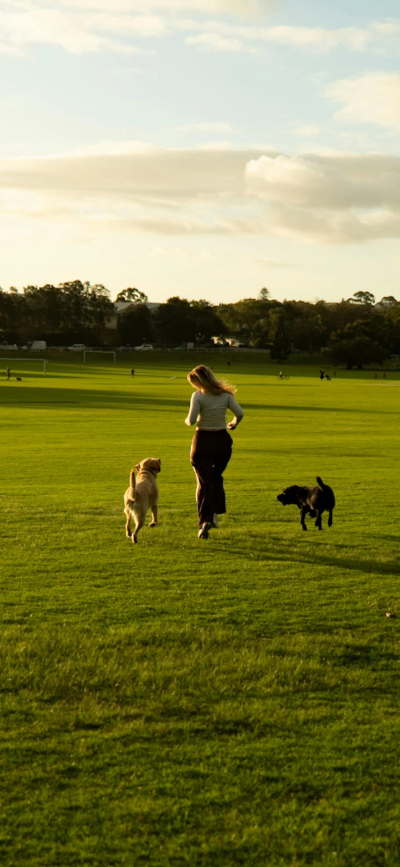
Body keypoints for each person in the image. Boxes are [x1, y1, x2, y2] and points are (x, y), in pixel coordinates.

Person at [185, 365, 244, 539]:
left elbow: (192, 420)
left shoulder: (197, 396)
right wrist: (233, 423)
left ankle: (204, 522)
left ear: (199, 381)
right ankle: (216, 512)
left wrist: (187, 420)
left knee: (203, 482)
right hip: (222, 441)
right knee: (215, 477)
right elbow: (240, 413)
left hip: (203, 441)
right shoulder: (226, 396)